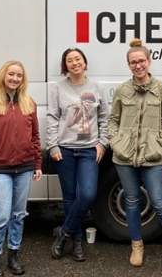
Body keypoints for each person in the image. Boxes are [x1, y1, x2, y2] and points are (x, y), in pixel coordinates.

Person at [108, 38, 162, 273]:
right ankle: (137, 247)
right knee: (132, 202)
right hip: (125, 157)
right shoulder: (123, 89)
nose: (138, 65)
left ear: (149, 62)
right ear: (128, 65)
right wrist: (116, 142)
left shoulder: (160, 88)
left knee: (161, 204)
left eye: (141, 61)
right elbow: (113, 120)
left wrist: (160, 145)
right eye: (133, 62)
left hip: (152, 156)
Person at [0, 60, 43, 277]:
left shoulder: (29, 103)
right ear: (3, 76)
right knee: (2, 215)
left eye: (19, 76)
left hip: (25, 168)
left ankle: (13, 253)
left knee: (18, 214)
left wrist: (37, 164)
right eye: (11, 74)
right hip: (0, 169)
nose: (15, 79)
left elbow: (35, 137)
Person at [47, 48, 109, 262]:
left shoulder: (96, 87)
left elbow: (105, 118)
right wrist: (52, 146)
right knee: (70, 197)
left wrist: (103, 143)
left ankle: (63, 233)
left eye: (78, 59)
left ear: (84, 62)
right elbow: (52, 118)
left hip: (88, 150)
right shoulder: (58, 88)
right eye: (70, 60)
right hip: (64, 150)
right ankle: (77, 240)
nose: (75, 63)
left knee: (88, 194)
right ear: (65, 66)